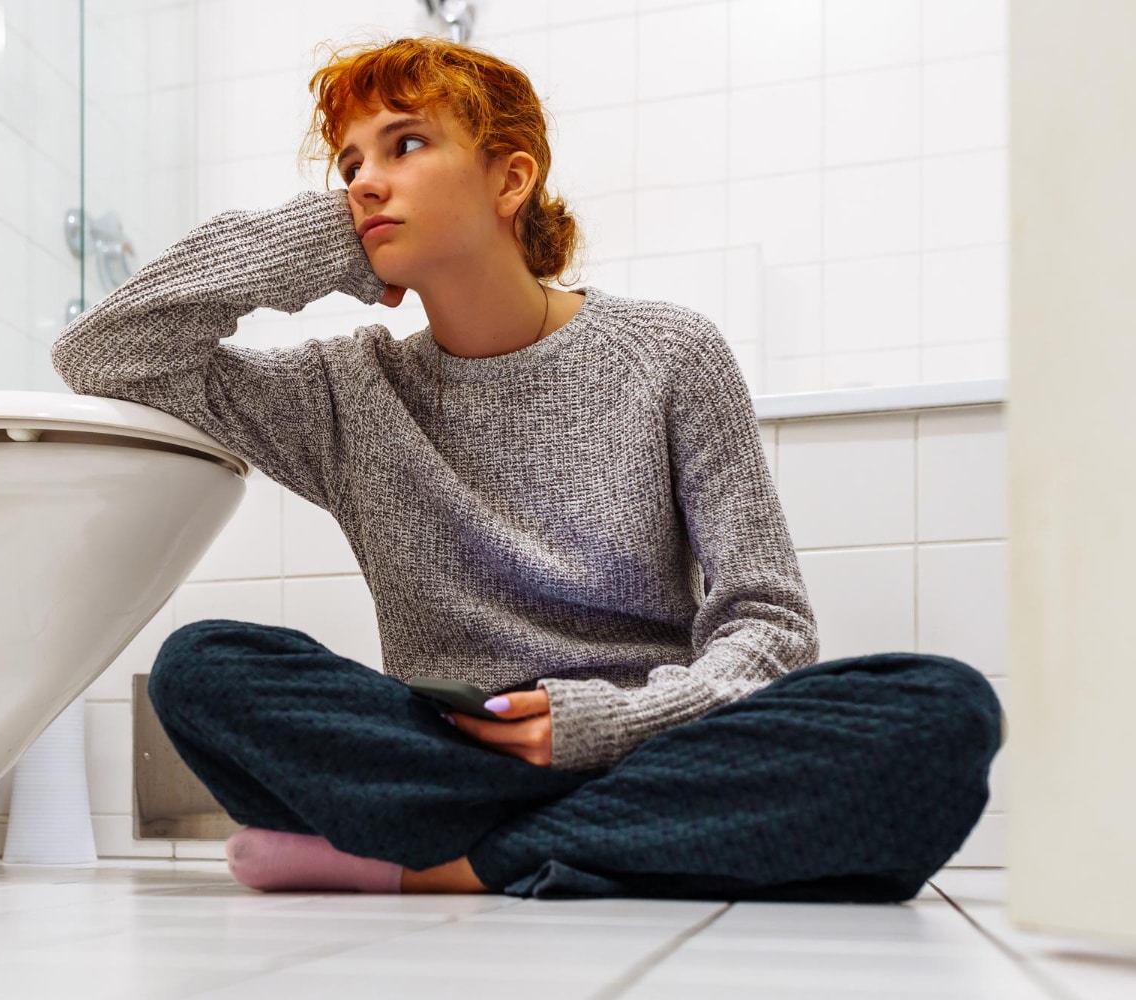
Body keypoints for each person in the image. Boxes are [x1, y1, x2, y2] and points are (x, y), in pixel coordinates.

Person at [49, 35, 1003, 901]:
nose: (364, 184)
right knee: (202, 668)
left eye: (406, 145)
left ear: (510, 180)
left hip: (654, 743)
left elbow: (769, 625)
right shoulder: (345, 391)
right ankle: (619, 846)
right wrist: (311, 246)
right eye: (349, 163)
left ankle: (460, 864)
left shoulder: (671, 353)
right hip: (449, 755)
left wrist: (604, 725)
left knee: (940, 712)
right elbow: (105, 354)